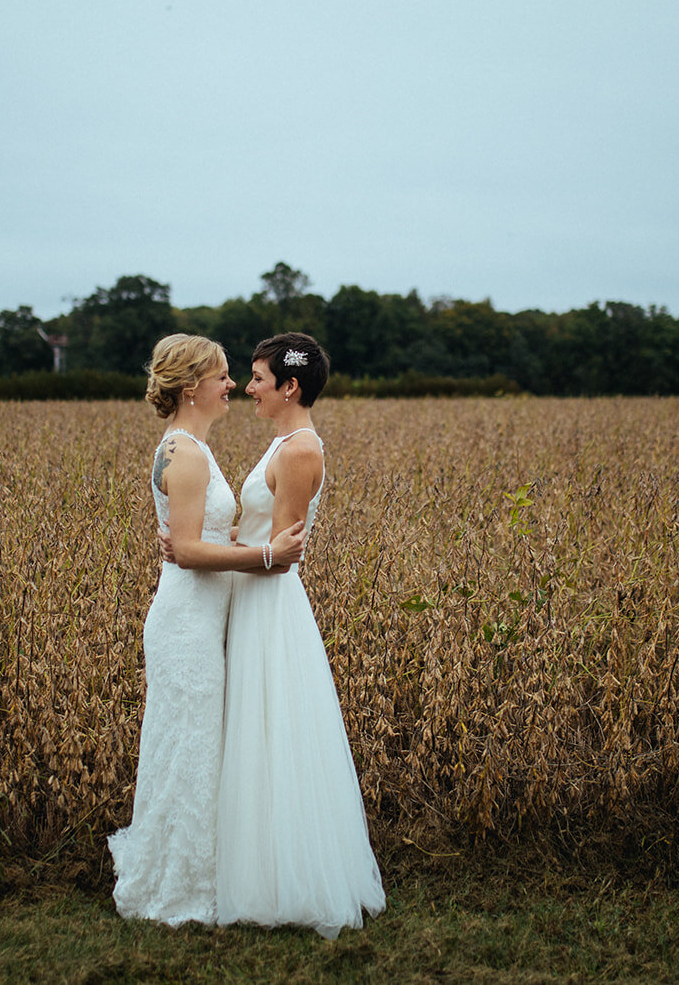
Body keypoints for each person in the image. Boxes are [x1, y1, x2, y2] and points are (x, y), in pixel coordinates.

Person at [108, 333, 307, 926]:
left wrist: (223, 546)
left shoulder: (191, 447)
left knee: (191, 748)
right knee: (189, 749)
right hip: (187, 626)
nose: (232, 386)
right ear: (192, 384)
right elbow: (190, 553)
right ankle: (180, 891)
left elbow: (193, 543)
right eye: (222, 376)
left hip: (198, 619)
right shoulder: (187, 454)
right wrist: (267, 556)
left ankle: (192, 875)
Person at [216, 332, 386, 938]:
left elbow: (284, 554)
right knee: (256, 730)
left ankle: (279, 880)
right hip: (253, 595)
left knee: (274, 731)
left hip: (270, 603)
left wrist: (207, 553)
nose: (250, 388)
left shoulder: (299, 451)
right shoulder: (285, 441)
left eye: (259, 378)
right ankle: (254, 864)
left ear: (290, 386)